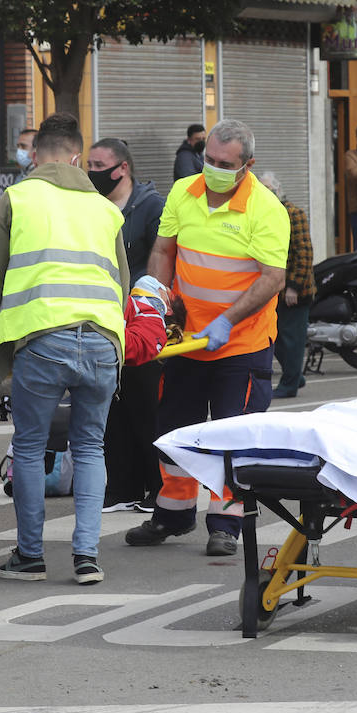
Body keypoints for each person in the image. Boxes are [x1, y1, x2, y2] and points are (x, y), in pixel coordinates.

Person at [0, 112, 127, 585]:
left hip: (41, 341)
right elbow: (121, 281)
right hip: (101, 342)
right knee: (91, 447)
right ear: (78, 157)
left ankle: (30, 556)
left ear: (35, 155)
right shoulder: (105, 209)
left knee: (31, 447)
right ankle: (87, 557)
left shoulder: (18, 197)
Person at [125, 118, 289, 557]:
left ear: (247, 165)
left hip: (241, 343)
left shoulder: (266, 209)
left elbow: (272, 278)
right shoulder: (185, 191)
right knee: (175, 430)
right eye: (208, 159)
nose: (212, 168)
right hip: (186, 340)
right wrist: (157, 305)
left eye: (224, 163)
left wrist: (227, 321)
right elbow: (163, 250)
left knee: (231, 434)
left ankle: (226, 523)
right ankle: (172, 513)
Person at [87, 137, 166, 512]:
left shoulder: (152, 207)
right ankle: (122, 486)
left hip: (142, 316)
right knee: (112, 404)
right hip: (106, 316)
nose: (93, 171)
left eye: (99, 165)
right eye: (89, 163)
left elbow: (160, 258)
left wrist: (147, 300)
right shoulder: (92, 206)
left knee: (146, 406)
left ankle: (157, 485)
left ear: (123, 168)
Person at [262, 173, 314, 400]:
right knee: (276, 338)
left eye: (268, 188)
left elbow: (304, 253)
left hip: (296, 291)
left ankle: (290, 384)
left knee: (292, 341)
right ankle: (295, 376)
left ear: (277, 189)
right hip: (276, 290)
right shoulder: (264, 215)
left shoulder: (293, 214)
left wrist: (293, 286)